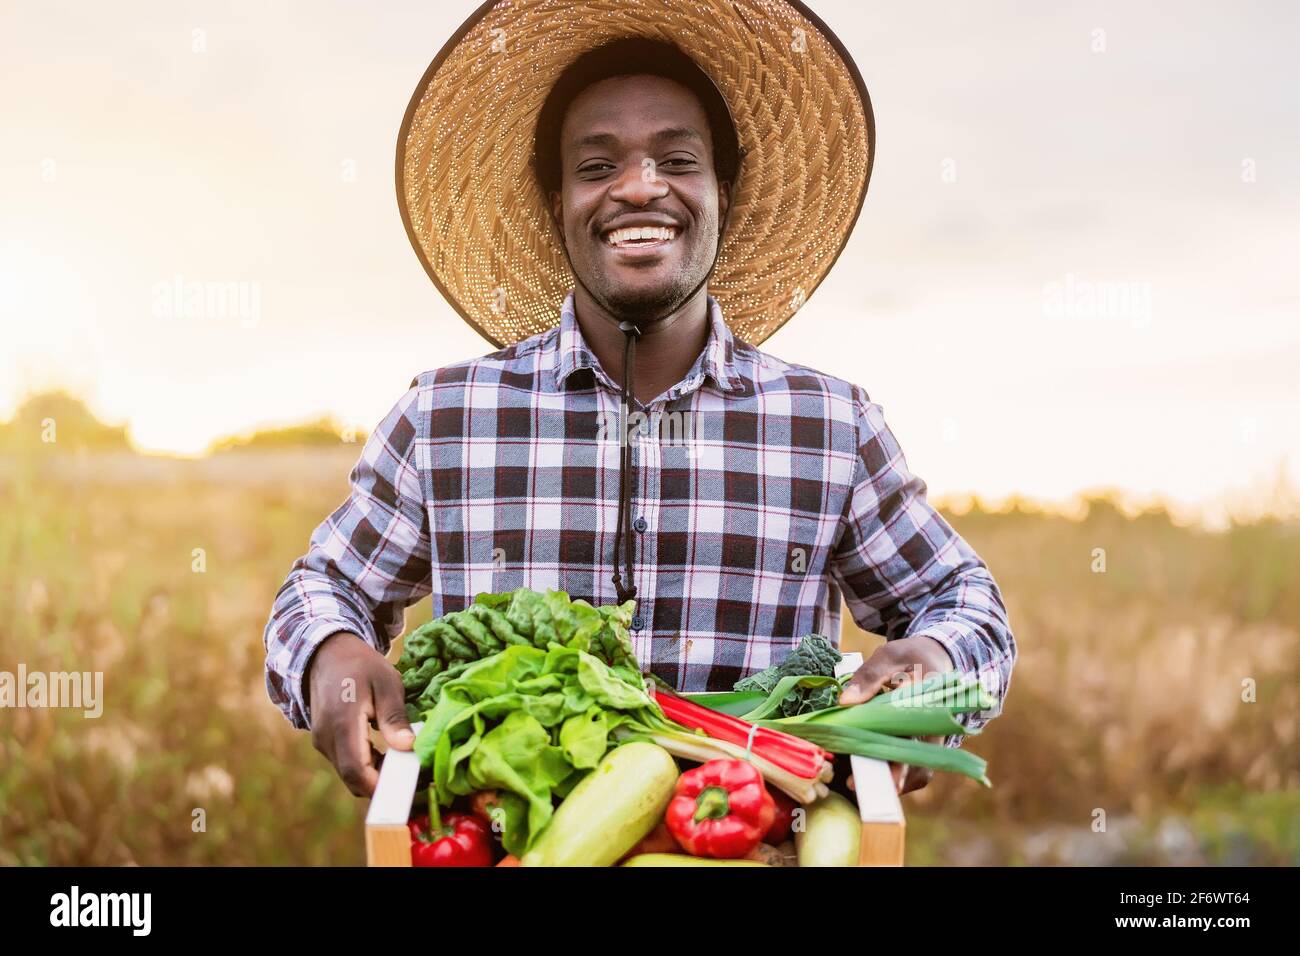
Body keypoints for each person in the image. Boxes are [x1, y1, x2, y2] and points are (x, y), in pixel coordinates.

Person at [264, 3, 1016, 800]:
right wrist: (330, 653)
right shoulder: (446, 417)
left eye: (677, 160)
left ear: (723, 193)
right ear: (557, 205)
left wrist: (936, 660)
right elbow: (325, 586)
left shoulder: (829, 426)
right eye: (596, 167)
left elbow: (962, 600)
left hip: (752, 844)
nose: (639, 187)